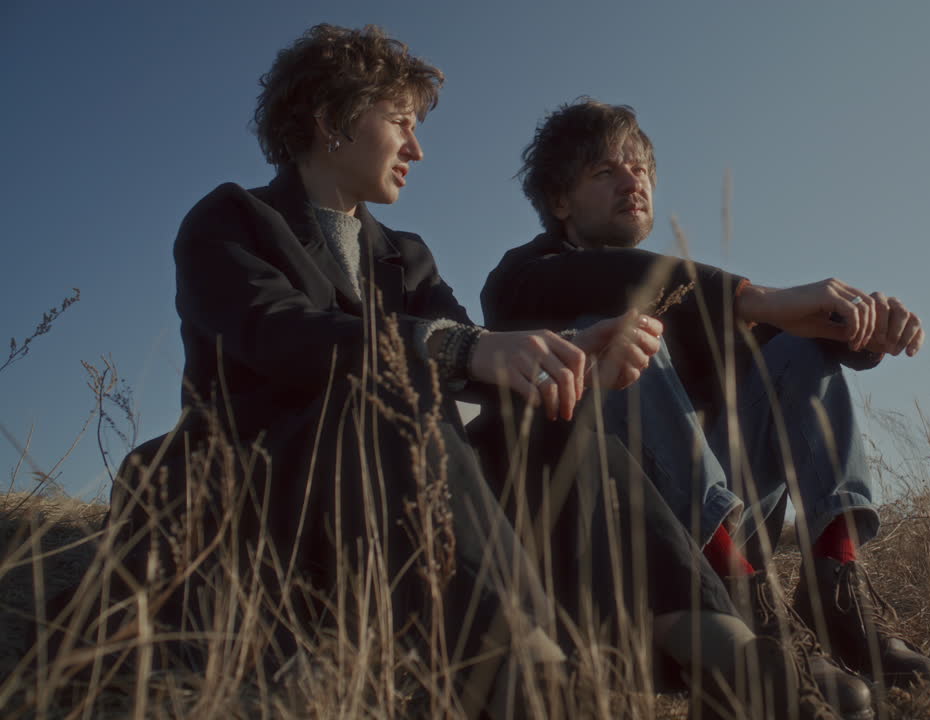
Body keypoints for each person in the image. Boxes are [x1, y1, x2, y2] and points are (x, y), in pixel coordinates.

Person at [99, 26, 847, 720]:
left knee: (548, 434)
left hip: (409, 491)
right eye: (400, 120)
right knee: (387, 403)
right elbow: (278, 335)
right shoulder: (231, 220)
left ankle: (727, 653)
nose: (417, 149)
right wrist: (457, 349)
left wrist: (577, 353)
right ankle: (532, 677)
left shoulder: (406, 254)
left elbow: (483, 357)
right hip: (277, 486)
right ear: (332, 117)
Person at [482, 98, 930, 690]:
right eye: (606, 172)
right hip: (616, 538)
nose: (634, 181)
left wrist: (859, 326)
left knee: (800, 351)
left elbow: (783, 343)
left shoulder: (696, 300)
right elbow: (618, 283)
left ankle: (834, 590)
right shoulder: (520, 279)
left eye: (641, 169)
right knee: (625, 333)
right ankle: (744, 617)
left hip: (720, 514)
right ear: (560, 202)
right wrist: (754, 296)